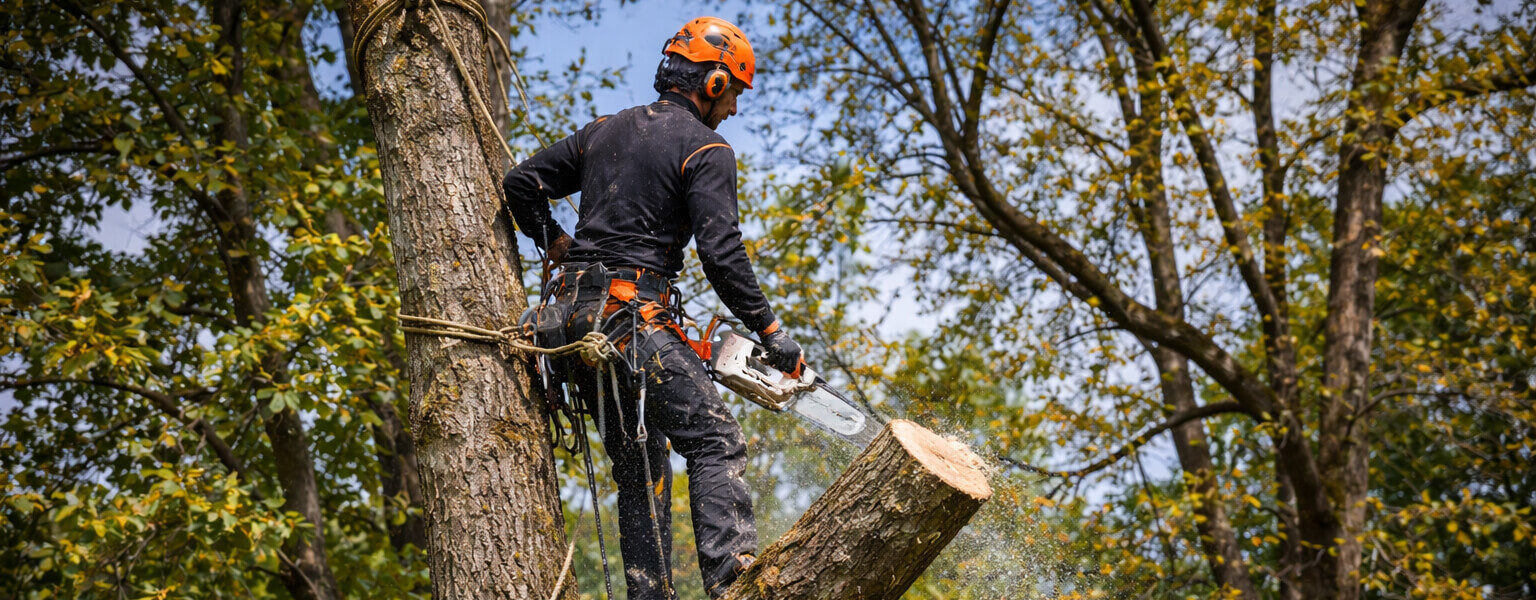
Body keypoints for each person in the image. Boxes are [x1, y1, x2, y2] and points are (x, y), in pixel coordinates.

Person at [501, 16, 803, 600]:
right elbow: (721, 252)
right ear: (713, 82)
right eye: (735, 92)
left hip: (569, 323)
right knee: (716, 441)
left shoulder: (604, 130)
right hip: (628, 319)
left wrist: (558, 244)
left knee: (642, 466)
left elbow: (520, 184)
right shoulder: (707, 148)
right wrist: (770, 330)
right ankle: (730, 576)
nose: (735, 109)